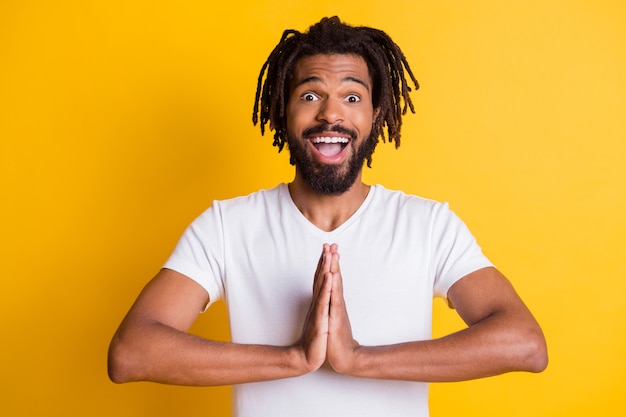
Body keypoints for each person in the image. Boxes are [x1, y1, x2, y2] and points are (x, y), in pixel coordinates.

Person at [108, 16, 547, 416]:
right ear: (284, 111)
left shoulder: (428, 225)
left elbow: (524, 344)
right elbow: (131, 353)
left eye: (351, 96)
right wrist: (294, 357)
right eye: (311, 94)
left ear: (376, 116)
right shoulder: (228, 226)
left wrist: (357, 358)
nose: (331, 113)